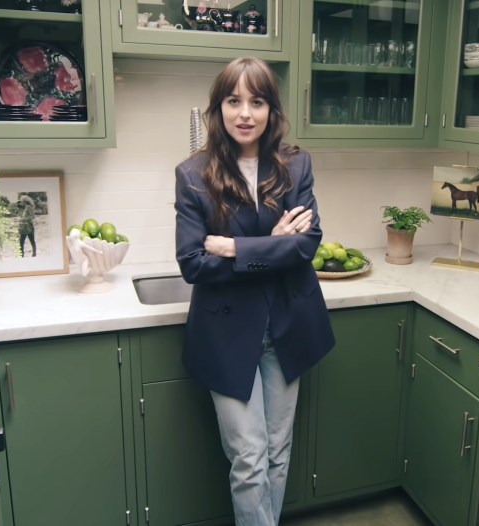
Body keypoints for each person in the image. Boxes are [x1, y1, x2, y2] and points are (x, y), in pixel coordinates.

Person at [174, 56, 335, 525]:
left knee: (278, 451)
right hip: (226, 333)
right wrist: (271, 245)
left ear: (272, 109)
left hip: (289, 326)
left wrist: (234, 248)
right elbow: (192, 264)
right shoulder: (193, 175)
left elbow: (307, 243)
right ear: (218, 108)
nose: (245, 113)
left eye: (257, 101)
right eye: (234, 100)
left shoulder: (295, 165)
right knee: (249, 459)